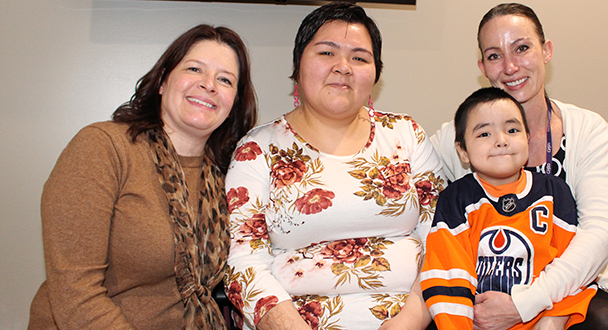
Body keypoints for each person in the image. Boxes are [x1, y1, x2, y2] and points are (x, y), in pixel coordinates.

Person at [224, 2, 445, 330]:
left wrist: (413, 317)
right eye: (327, 53)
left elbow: (443, 238)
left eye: (359, 57)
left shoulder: (406, 134)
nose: (343, 67)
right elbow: (243, 262)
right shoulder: (258, 149)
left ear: (375, 73)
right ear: (298, 65)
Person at [430, 3, 608, 330]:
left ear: (546, 51)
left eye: (522, 48)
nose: (510, 66)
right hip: (494, 282)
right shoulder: (459, 136)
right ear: (482, 66)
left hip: (586, 279)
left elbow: (598, 233)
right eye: (494, 56)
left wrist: (527, 303)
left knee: (604, 324)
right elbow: (407, 182)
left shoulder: (588, 130)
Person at [28, 24, 257, 330]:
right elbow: (75, 292)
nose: (209, 85)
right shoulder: (104, 147)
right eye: (194, 69)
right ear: (163, 81)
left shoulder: (229, 177)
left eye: (225, 79)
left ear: (233, 104)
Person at [422, 87, 597, 330]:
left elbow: (576, 268)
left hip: (542, 319)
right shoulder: (456, 200)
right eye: (484, 134)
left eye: (512, 130)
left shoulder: (555, 194)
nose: (501, 140)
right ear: (463, 151)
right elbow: (447, 273)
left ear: (528, 138)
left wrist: (553, 319)